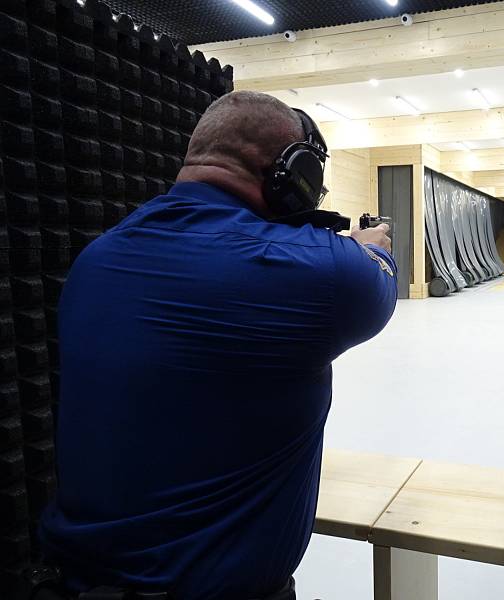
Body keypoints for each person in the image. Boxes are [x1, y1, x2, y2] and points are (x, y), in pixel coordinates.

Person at [38, 92, 398, 600]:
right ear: (292, 172)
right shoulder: (324, 273)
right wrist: (373, 245)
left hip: (73, 585)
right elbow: (375, 284)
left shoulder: (97, 258)